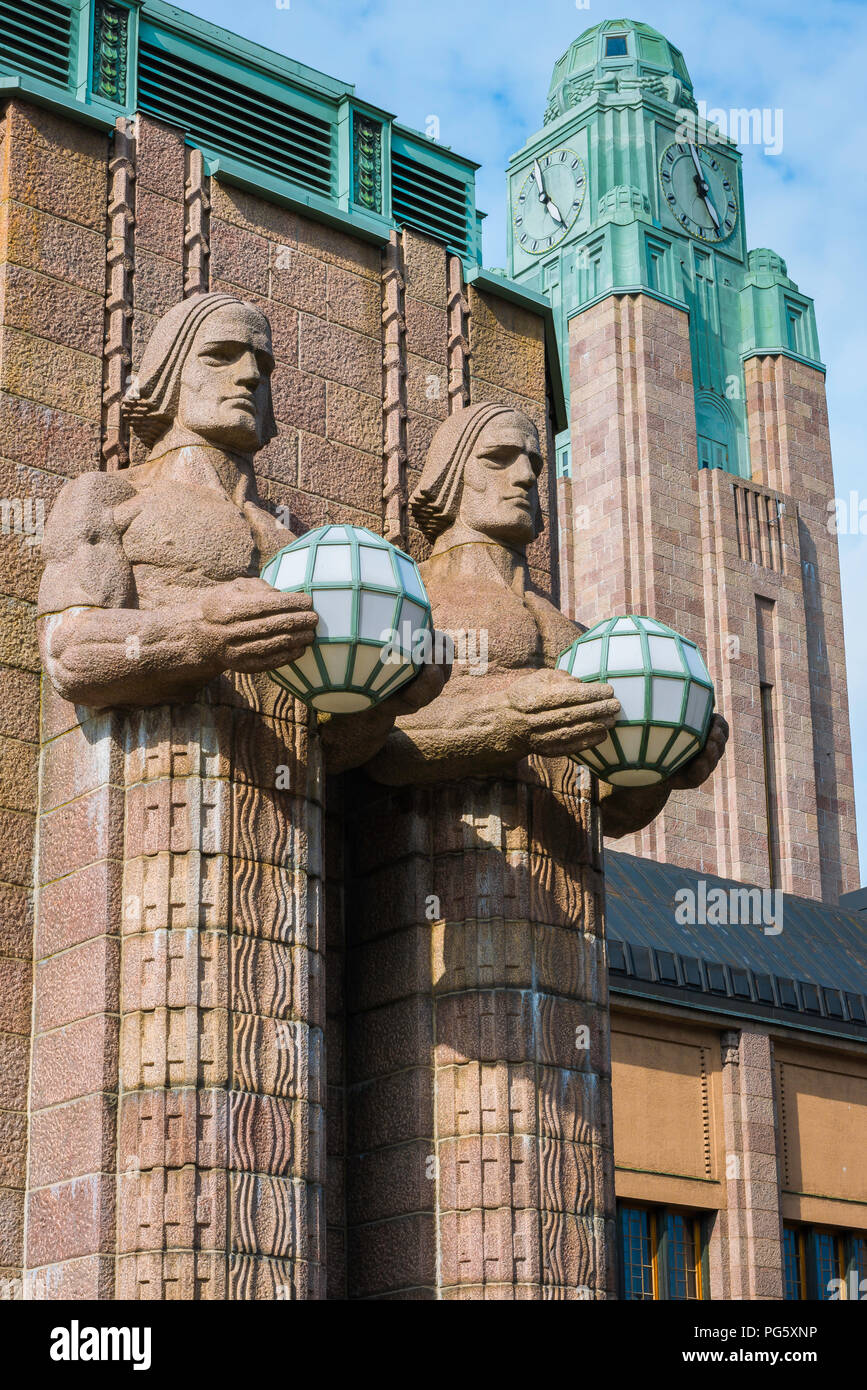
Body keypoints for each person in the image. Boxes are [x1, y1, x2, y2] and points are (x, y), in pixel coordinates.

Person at [37, 292, 445, 763]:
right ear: (169, 376)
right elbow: (68, 653)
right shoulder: (110, 497)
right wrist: (200, 633)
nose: (250, 375)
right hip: (151, 794)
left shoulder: (296, 543)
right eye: (220, 356)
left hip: (292, 822)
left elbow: (325, 751)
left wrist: (383, 699)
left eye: (263, 366)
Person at [365, 403, 728, 837]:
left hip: (570, 888)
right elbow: (371, 747)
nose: (523, 477)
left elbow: (608, 814)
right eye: (498, 458)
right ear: (449, 473)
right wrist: (509, 724)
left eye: (534, 465)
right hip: (441, 858)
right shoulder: (412, 597)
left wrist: (660, 766)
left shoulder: (579, 638)